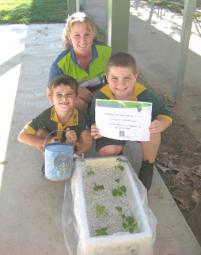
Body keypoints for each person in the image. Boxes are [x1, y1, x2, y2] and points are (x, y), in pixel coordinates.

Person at [90, 52, 173, 190]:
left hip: (139, 130)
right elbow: (93, 122)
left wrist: (161, 124)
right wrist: (95, 129)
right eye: (114, 78)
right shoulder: (100, 97)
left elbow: (165, 114)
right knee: (107, 150)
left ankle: (148, 165)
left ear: (136, 77)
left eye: (127, 78)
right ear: (107, 78)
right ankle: (119, 159)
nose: (121, 84)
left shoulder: (146, 94)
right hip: (113, 132)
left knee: (154, 133)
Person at [48, 12, 112, 112]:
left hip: (101, 97)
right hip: (77, 102)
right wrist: (74, 91)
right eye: (76, 35)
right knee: (75, 102)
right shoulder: (61, 63)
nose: (82, 41)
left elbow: (119, 76)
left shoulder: (106, 52)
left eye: (87, 34)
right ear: (69, 36)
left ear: (93, 34)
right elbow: (50, 93)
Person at [18, 75, 92, 160]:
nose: (64, 98)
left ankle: (71, 158)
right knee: (40, 133)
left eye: (69, 94)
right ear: (51, 98)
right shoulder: (45, 116)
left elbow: (92, 133)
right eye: (59, 95)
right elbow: (22, 136)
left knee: (87, 135)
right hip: (52, 145)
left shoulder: (81, 116)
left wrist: (73, 141)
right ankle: (51, 158)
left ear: (76, 96)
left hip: (73, 147)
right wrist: (47, 142)